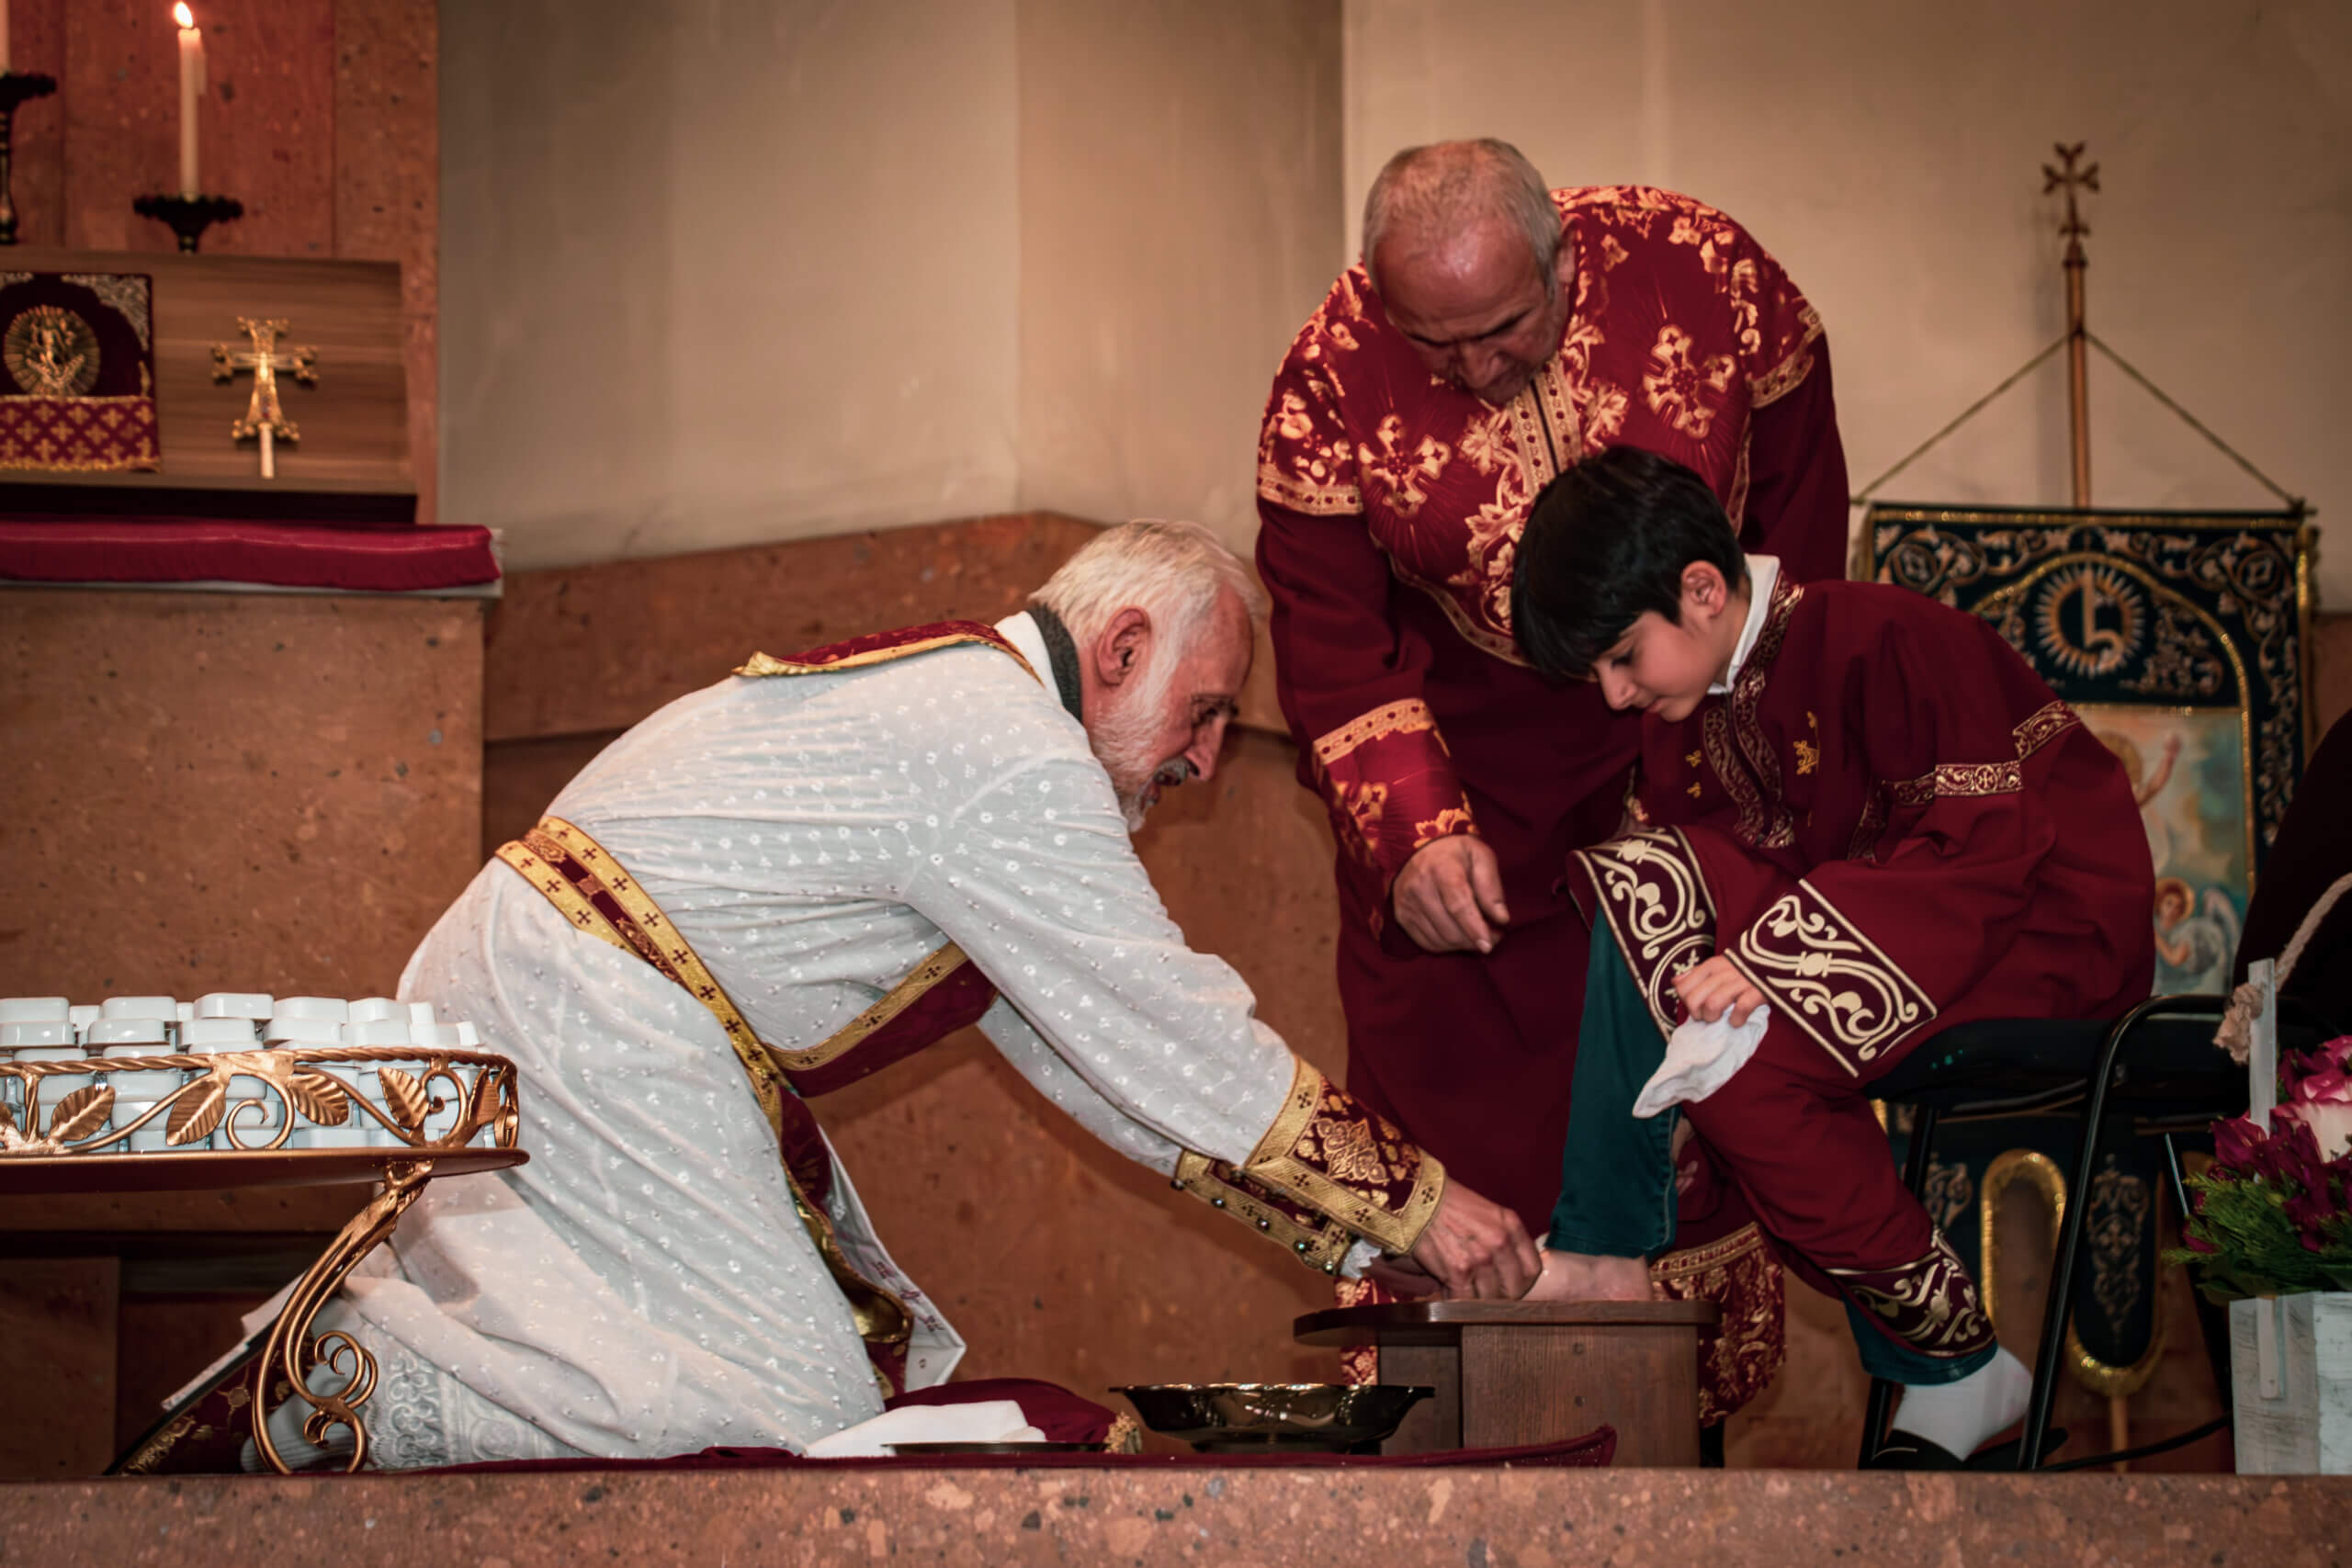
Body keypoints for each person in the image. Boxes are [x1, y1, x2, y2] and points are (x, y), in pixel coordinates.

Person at [137, 520, 1537, 1473]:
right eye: (1206, 710)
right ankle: (353, 1382)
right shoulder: (1009, 751)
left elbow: (1099, 1058)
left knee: (762, 1401)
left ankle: (354, 1377)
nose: (1209, 760)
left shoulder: (974, 725)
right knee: (775, 1411)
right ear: (1117, 647)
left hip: (578, 997)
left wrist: (1358, 1238)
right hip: (586, 1008)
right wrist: (1420, 1204)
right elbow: (1165, 1023)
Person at [1254, 136, 1850, 1413]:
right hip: (1477, 779)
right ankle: (1453, 1436)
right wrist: (1411, 830)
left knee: (1691, 1054)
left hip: (1692, 737)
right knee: (1453, 1079)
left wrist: (1740, 746)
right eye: (1436, 343)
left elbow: (1798, 536)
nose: (1474, 369)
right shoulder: (1328, 380)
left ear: (1566, 257)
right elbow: (1329, 635)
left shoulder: (1709, 276)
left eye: (1505, 326)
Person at [1510, 446, 2155, 1468]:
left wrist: (1771, 959)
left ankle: (1941, 1363)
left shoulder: (1881, 632)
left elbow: (1977, 848)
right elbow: (1689, 901)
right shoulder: (1684, 723)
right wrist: (1746, 966)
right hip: (1879, 938)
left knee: (1728, 1047)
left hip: (2039, 930)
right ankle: (1614, 1246)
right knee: (1653, 911)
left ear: (1702, 588)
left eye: (1623, 656)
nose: (1612, 696)